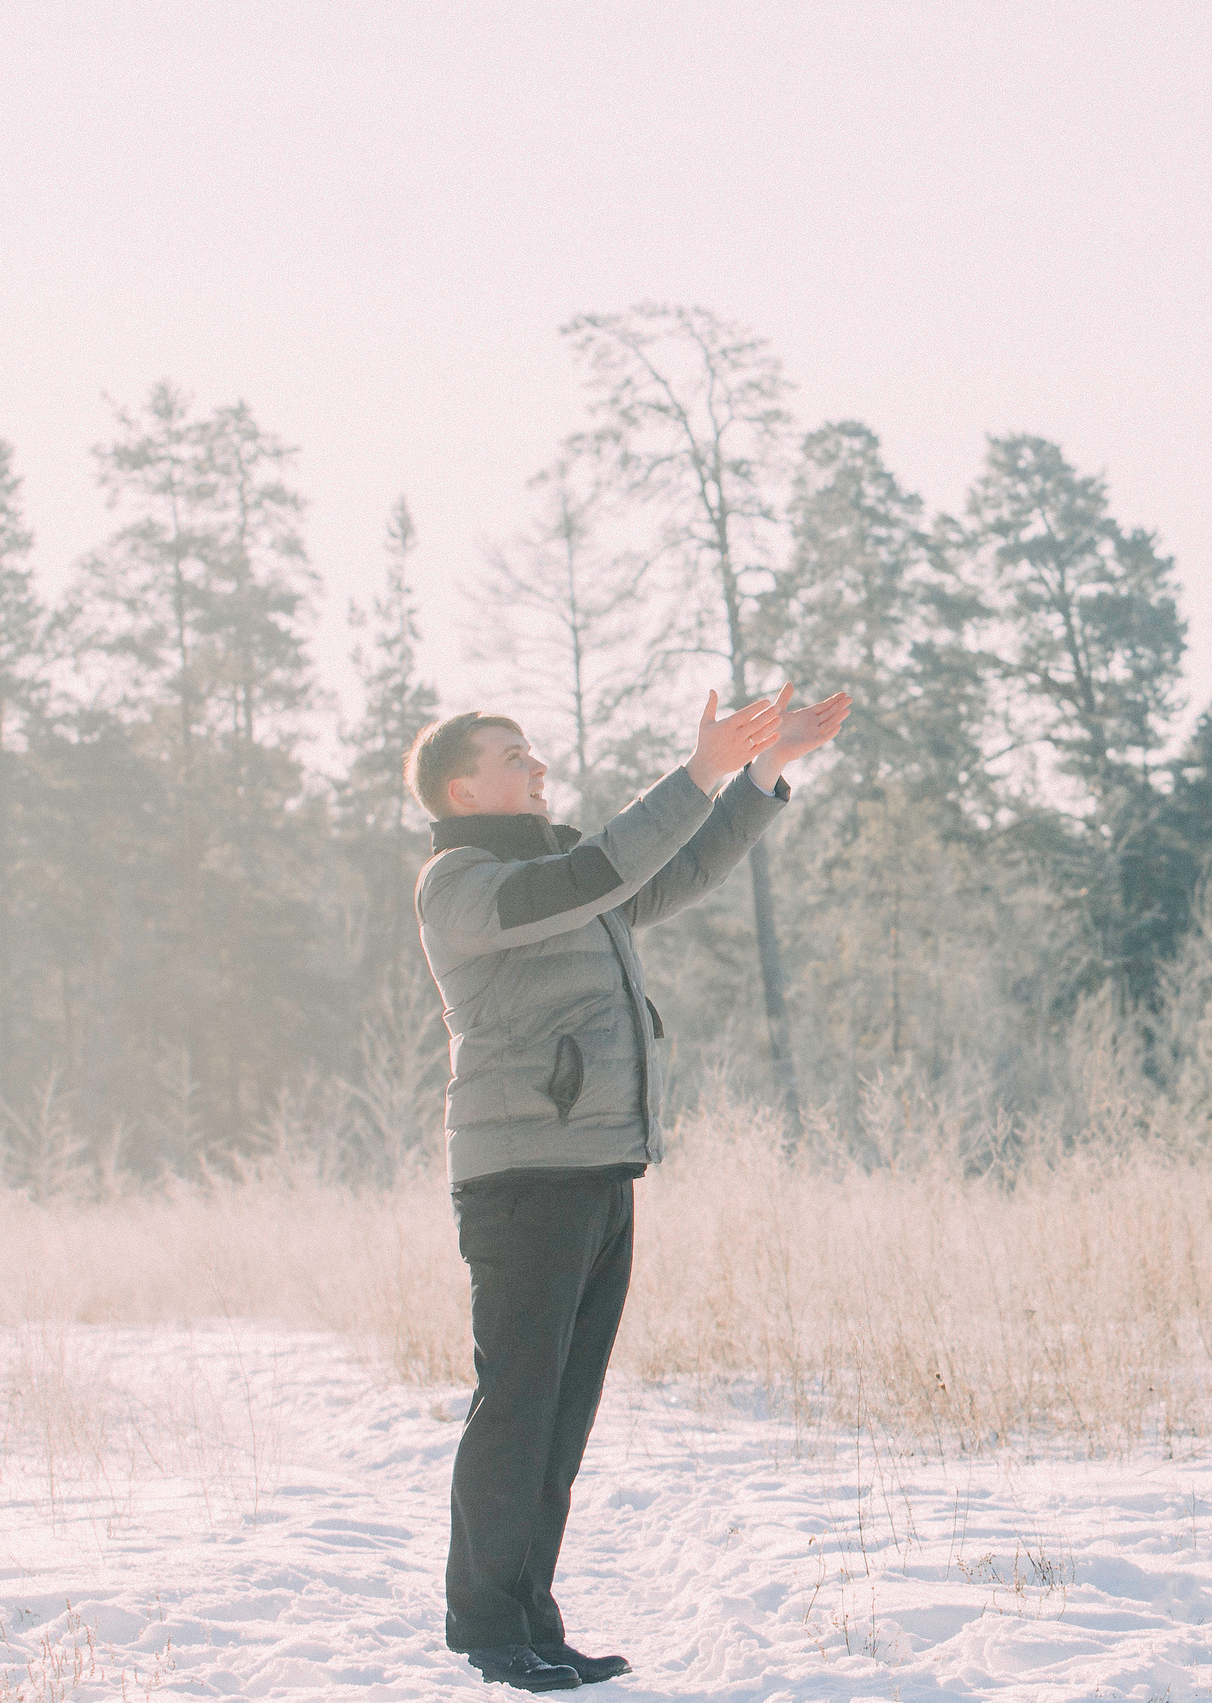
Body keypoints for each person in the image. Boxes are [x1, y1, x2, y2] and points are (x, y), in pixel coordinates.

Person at [403, 681, 851, 1692]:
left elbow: (675, 867)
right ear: (461, 790)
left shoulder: (570, 874)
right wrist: (697, 768)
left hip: (599, 1166)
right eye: (513, 757)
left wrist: (761, 770)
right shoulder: (461, 883)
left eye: (533, 753)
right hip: (521, 1180)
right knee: (517, 1407)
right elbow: (608, 866)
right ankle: (484, 1629)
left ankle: (530, 1616)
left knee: (561, 1412)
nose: (537, 767)